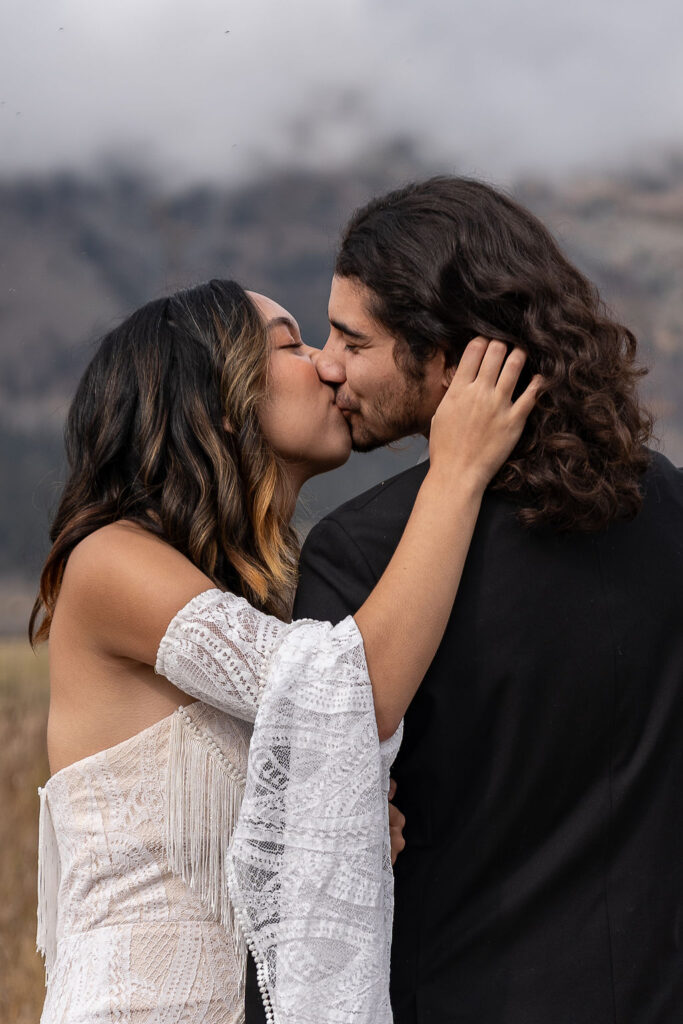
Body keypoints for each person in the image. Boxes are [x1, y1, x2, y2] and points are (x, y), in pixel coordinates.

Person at [30, 278, 538, 1024]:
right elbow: (350, 695)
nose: (329, 365)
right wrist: (457, 471)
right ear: (216, 399)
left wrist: (342, 820)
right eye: (292, 345)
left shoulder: (264, 604)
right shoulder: (108, 560)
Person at [266, 177, 683, 1024]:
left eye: (354, 339)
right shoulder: (667, 505)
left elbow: (309, 846)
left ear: (454, 359)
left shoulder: (361, 554)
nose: (328, 363)